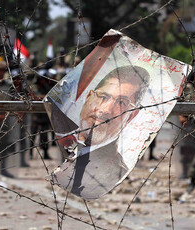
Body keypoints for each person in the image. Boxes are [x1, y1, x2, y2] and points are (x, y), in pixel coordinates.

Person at [45, 65, 150, 199]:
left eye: (121, 102)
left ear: (132, 115)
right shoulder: (65, 135)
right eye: (103, 96)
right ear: (88, 96)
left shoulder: (114, 172)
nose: (106, 109)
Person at [178, 66, 195, 178]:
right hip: (186, 122)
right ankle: (184, 172)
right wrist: (181, 117)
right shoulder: (186, 89)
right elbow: (179, 103)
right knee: (185, 150)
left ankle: (192, 173)